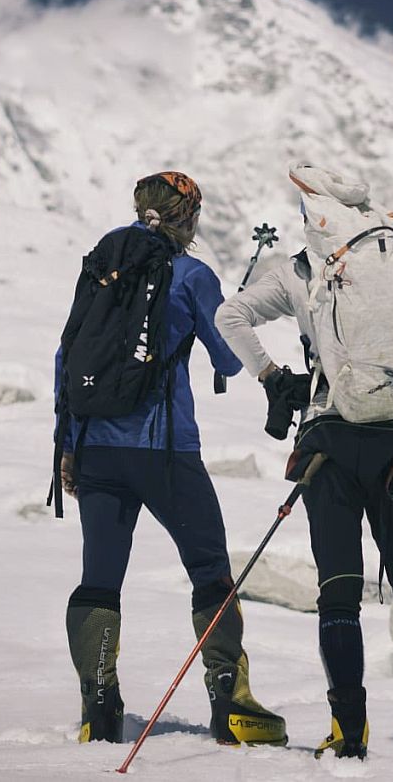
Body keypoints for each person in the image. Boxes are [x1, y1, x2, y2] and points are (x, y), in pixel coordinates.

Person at [215, 164, 393, 775]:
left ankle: (347, 729)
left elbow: (228, 317)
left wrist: (273, 378)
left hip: (329, 448)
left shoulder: (293, 272)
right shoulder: (389, 256)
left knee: (338, 596)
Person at [54, 171, 287, 747]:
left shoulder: (103, 262)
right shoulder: (191, 274)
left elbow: (69, 349)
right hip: (164, 452)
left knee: (100, 580)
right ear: (189, 216)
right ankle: (231, 703)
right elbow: (230, 361)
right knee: (209, 568)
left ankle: (99, 706)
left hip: (95, 449)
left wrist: (67, 443)